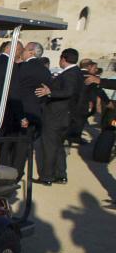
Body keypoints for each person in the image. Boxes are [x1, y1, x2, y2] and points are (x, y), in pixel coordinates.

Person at [34, 47, 82, 185]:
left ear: (63, 58)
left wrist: (50, 92)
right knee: (59, 146)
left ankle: (47, 176)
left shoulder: (70, 74)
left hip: (56, 116)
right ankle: (60, 174)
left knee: (49, 146)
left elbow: (68, 91)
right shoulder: (76, 72)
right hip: (65, 116)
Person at [16, 42, 53, 175]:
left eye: (24, 50)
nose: (22, 52)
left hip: (18, 111)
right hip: (35, 112)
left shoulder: (21, 67)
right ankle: (19, 171)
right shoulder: (45, 70)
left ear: (31, 52)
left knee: (13, 145)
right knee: (24, 147)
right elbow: (47, 91)